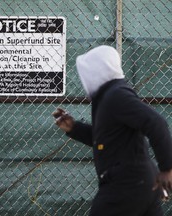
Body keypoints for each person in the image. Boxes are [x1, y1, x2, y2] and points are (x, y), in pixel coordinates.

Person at [52, 45, 172, 216]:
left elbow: (156, 123)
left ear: (97, 71)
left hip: (127, 184)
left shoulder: (116, 95)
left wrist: (167, 168)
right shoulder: (108, 97)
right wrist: (74, 128)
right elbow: (107, 140)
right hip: (139, 183)